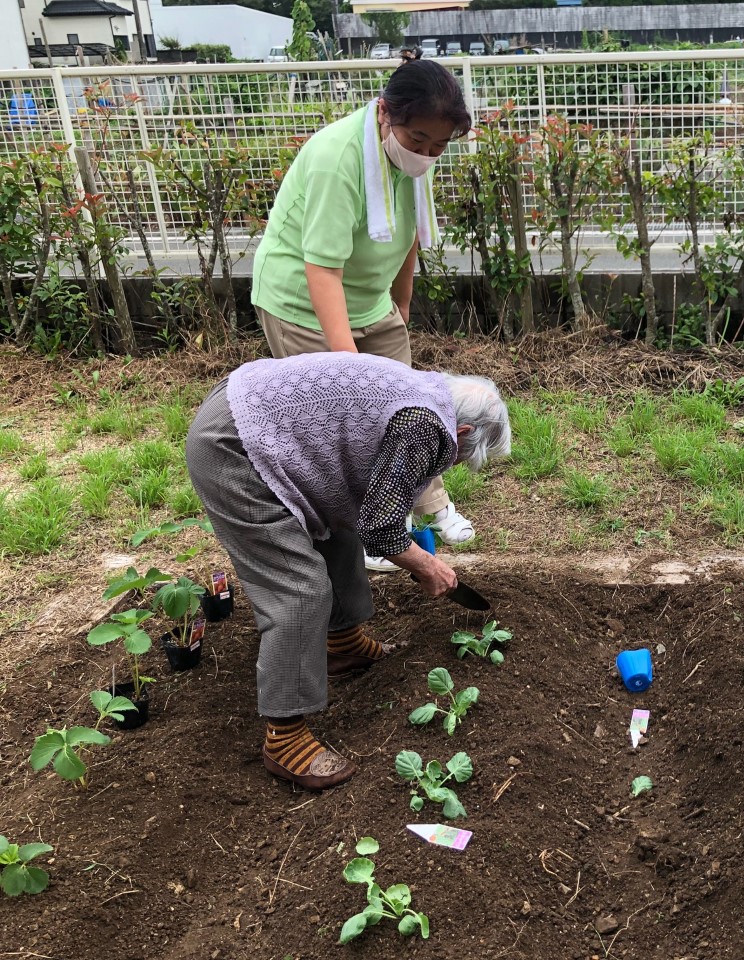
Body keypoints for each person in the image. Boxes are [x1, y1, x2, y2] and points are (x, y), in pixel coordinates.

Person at [186, 352, 511, 790]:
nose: (450, 465)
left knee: (339, 533)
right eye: (457, 457)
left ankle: (342, 644)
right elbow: (380, 528)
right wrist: (427, 565)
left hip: (260, 420)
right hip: (235, 446)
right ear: (462, 432)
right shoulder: (424, 425)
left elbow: (371, 513)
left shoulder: (433, 395)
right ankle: (285, 738)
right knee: (299, 589)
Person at [250, 58, 477, 571]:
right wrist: (351, 372)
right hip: (303, 304)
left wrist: (400, 299)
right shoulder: (338, 158)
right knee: (343, 417)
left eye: (438, 146)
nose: (425, 155)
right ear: (384, 114)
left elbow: (409, 232)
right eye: (417, 140)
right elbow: (322, 269)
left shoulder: (412, 158)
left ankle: (432, 505)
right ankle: (363, 531)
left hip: (369, 299)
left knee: (411, 406)